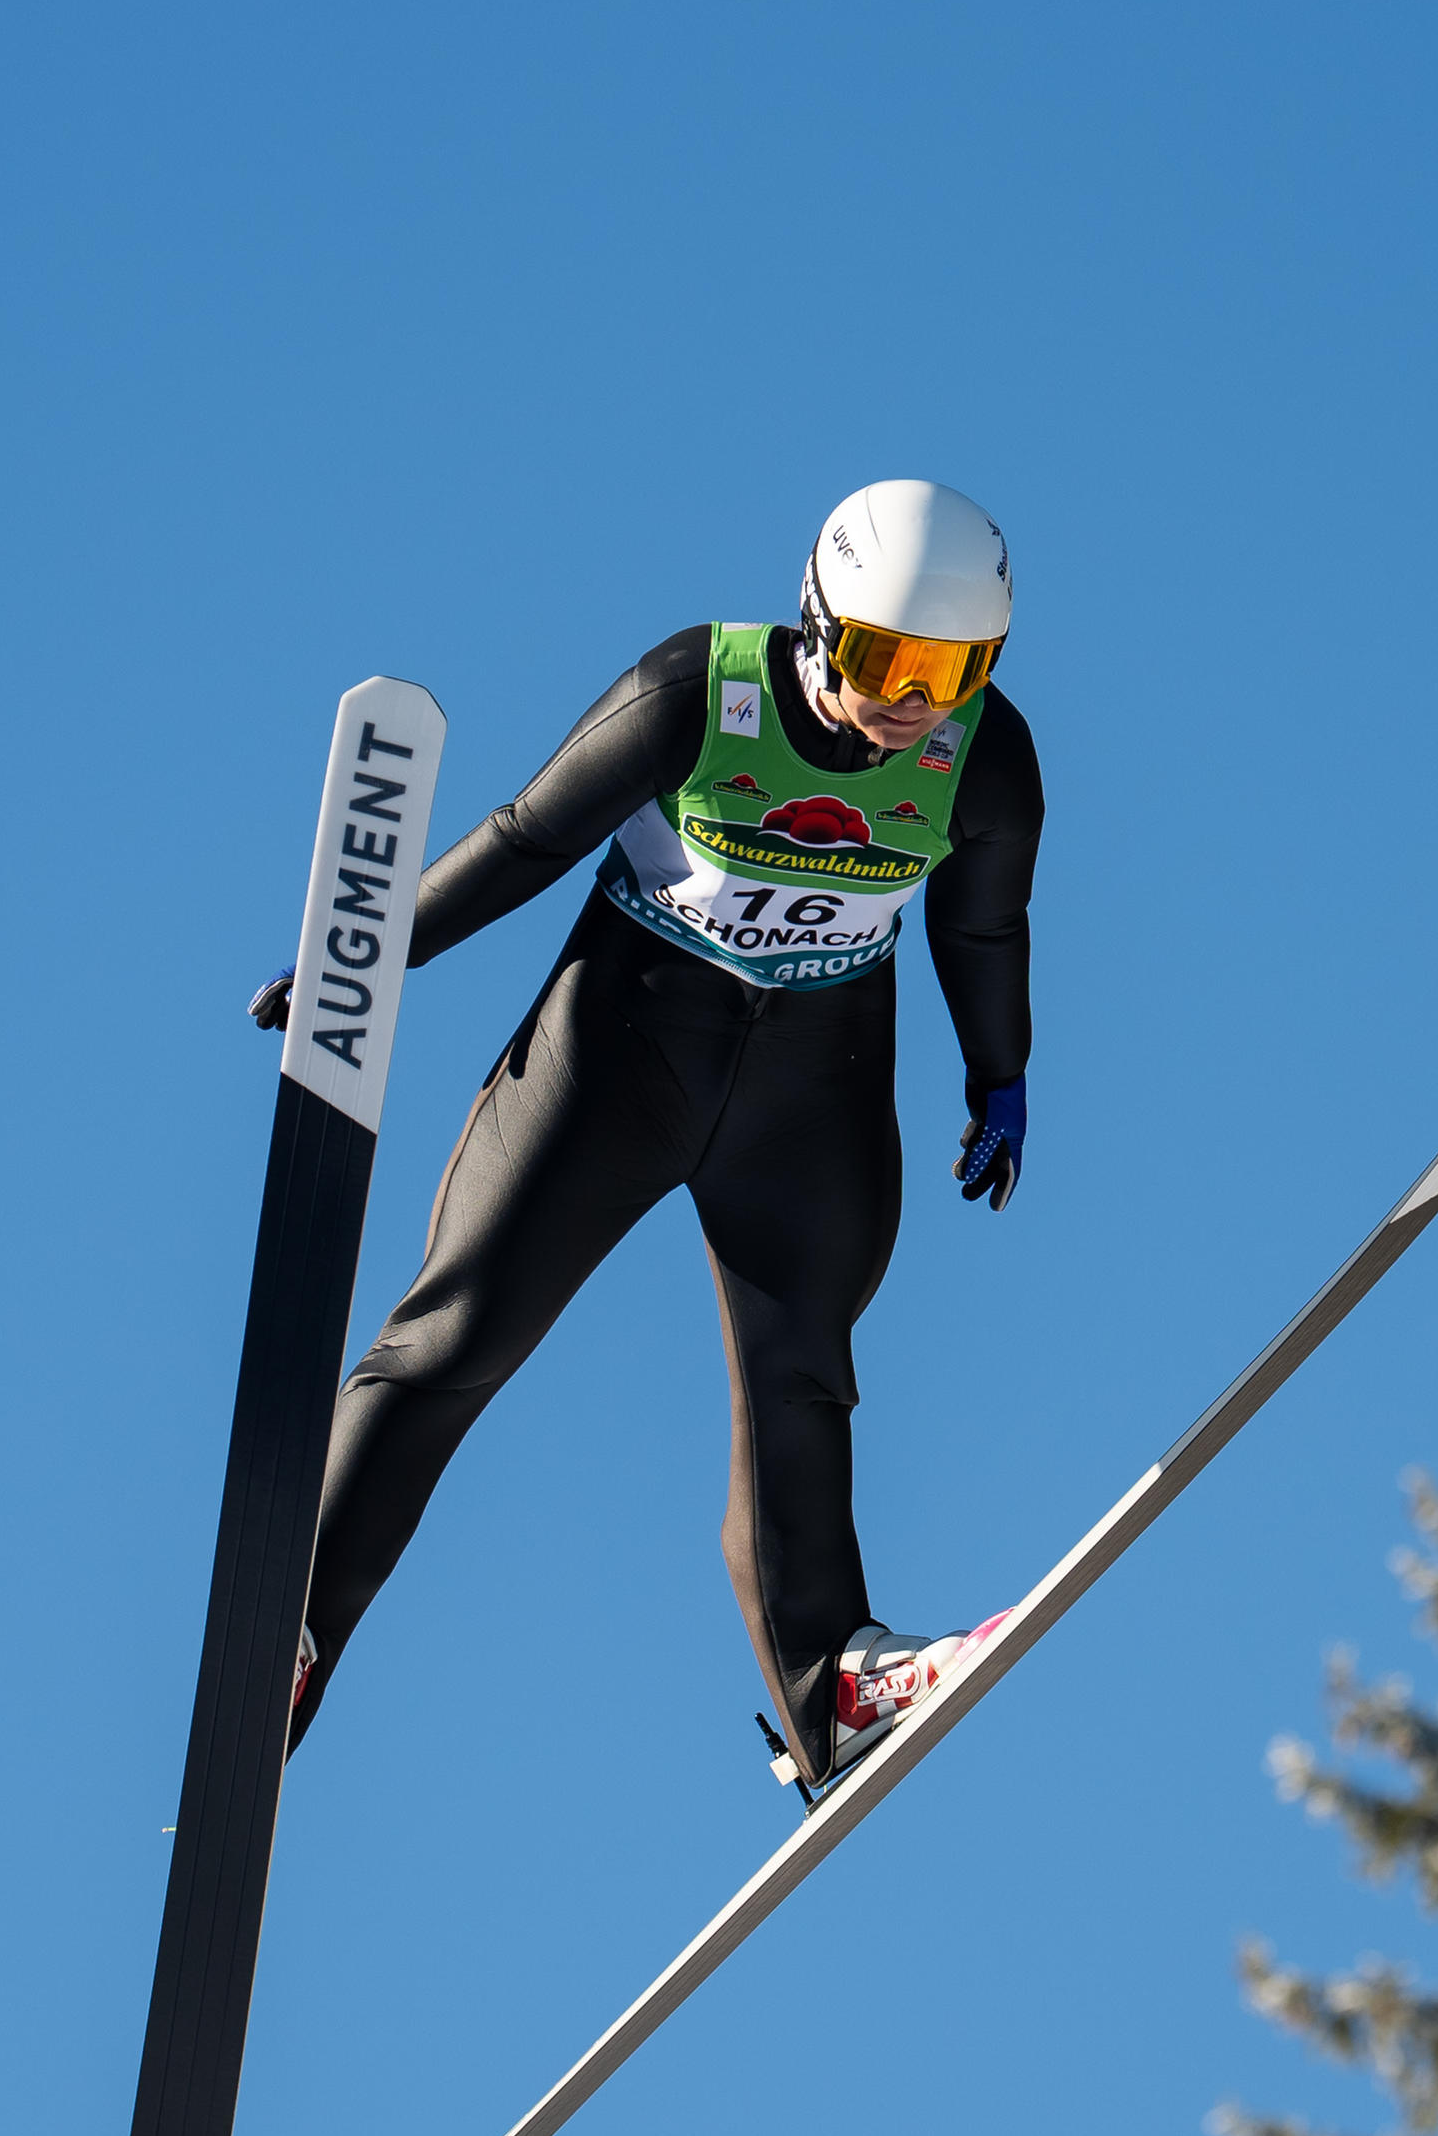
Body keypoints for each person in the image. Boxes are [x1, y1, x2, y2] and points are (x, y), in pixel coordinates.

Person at [248, 479, 1046, 1790]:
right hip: (623, 1049)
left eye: (951, 670)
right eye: (883, 659)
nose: (914, 701)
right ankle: (298, 1623)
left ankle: (831, 1686)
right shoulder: (698, 695)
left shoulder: (987, 756)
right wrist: (377, 957)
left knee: (803, 1374)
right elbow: (524, 839)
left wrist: (1001, 1076)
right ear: (817, 624)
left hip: (815, 1080)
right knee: (459, 1333)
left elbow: (981, 927)